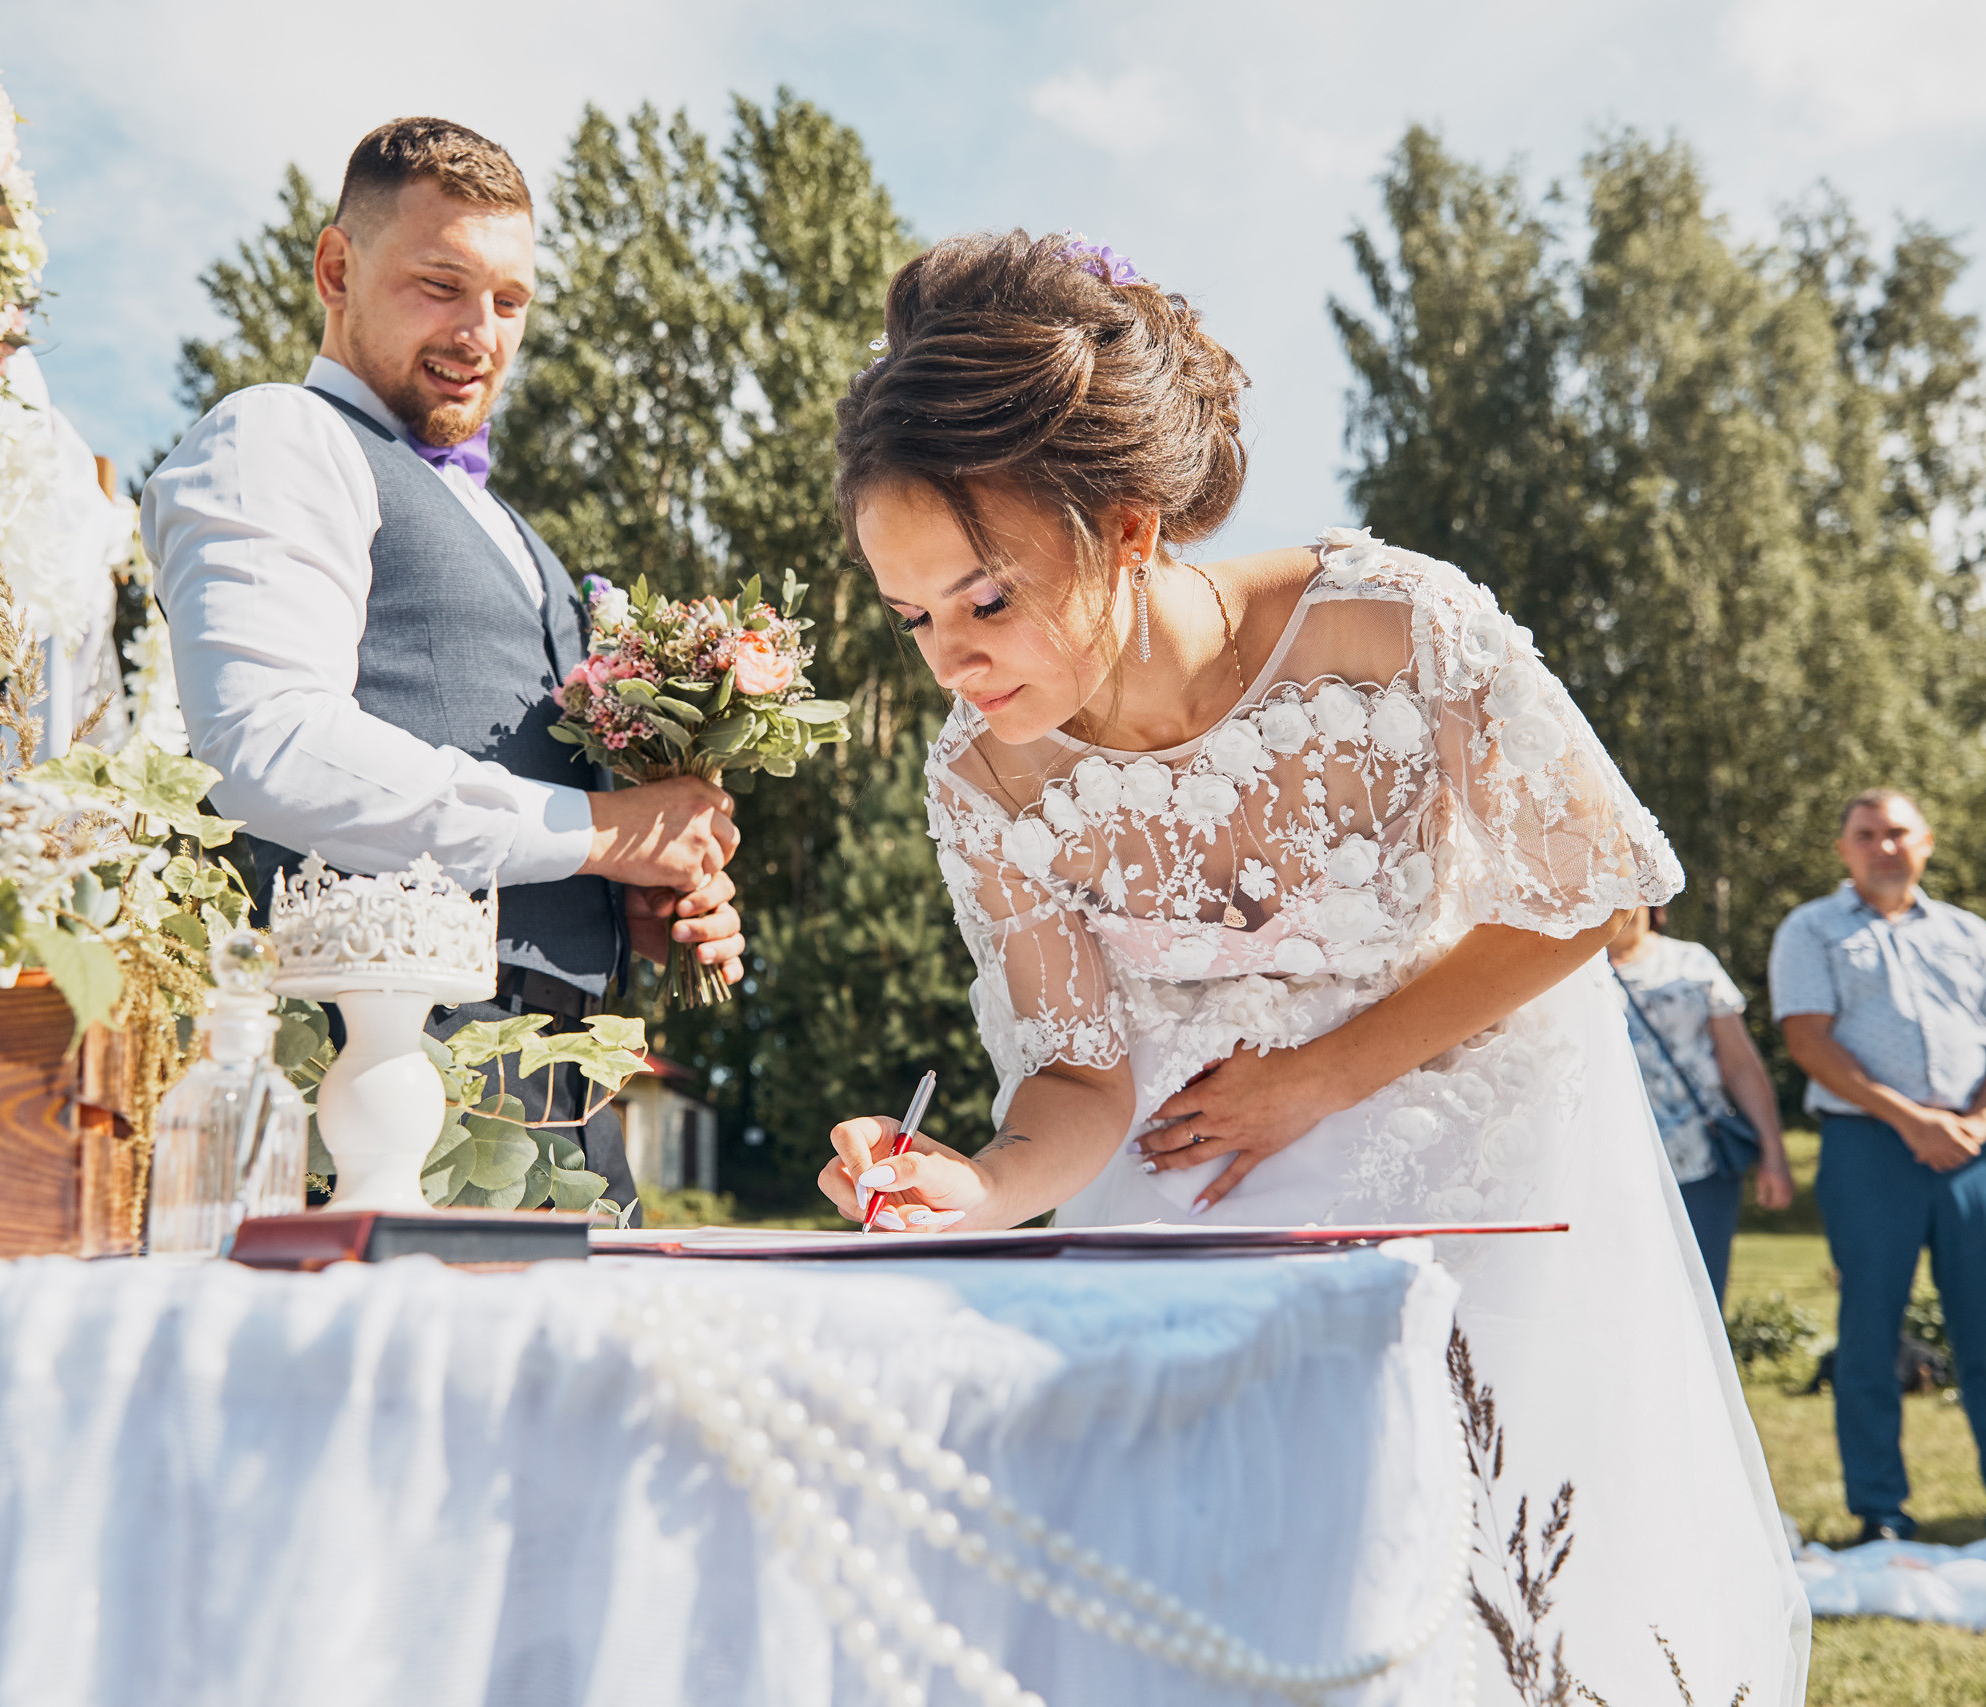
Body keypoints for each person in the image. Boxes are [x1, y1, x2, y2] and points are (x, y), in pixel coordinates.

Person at [812, 233, 1808, 1704]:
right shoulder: (985, 783)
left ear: (1130, 529)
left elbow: (1594, 888)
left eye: (987, 598)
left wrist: (1318, 1078)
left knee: (1487, 1612)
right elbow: (1079, 1065)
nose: (952, 660)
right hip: (1193, 1214)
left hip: (1479, 1204)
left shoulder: (1395, 627)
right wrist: (975, 1182)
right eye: (914, 618)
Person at [143, 119, 747, 1205]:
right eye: (441, 285)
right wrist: (604, 833)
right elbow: (266, 748)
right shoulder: (278, 438)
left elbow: (545, 822)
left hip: (570, 1105)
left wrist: (631, 901)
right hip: (381, 1084)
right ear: (337, 269)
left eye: (510, 301)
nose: (481, 332)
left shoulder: (522, 536)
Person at [1768, 788, 1986, 1544]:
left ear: (1926, 843)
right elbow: (1808, 1041)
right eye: (1866, 834)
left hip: (1974, 1148)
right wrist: (1914, 1120)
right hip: (1868, 1149)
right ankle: (1882, 1512)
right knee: (1870, 1332)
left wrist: (1978, 1121)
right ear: (1845, 849)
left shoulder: (1968, 932)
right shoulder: (1811, 929)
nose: (1884, 846)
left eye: (1898, 832)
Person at [1609, 903, 1794, 1304]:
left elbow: (1741, 1065)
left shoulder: (1692, 962)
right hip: (1605, 1166)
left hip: (1698, 1163)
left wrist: (1774, 1154)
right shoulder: (1562, 969)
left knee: (1700, 1298)